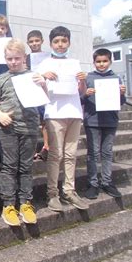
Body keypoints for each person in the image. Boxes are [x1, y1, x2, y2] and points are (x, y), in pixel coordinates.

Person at [0, 39, 46, 226]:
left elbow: (45, 99)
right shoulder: (1, 78)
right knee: (9, 166)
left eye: (17, 58)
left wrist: (44, 84)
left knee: (26, 167)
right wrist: (0, 115)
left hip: (29, 127)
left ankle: (25, 203)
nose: (13, 62)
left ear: (24, 58)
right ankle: (8, 205)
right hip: (7, 128)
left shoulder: (33, 76)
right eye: (9, 58)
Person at [37, 26, 89, 211]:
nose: (60, 45)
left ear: (69, 42)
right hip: (54, 113)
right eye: (56, 42)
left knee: (71, 155)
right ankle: (52, 194)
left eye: (64, 41)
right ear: (50, 43)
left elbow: (81, 92)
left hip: (74, 112)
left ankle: (69, 190)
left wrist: (82, 81)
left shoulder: (75, 63)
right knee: (55, 155)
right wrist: (43, 76)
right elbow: (37, 91)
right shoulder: (43, 64)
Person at [83, 48, 127, 199]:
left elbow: (120, 103)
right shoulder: (88, 78)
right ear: (94, 62)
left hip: (110, 120)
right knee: (93, 153)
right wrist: (85, 94)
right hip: (92, 120)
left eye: (104, 61)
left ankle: (107, 182)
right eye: (98, 61)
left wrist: (121, 94)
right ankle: (93, 183)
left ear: (110, 61)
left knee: (107, 153)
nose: (101, 64)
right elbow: (80, 100)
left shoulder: (116, 78)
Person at [26, 30, 49, 161]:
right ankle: (33, 149)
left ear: (42, 41)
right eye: (31, 41)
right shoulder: (27, 58)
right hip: (31, 91)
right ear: (28, 43)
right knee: (33, 121)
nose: (34, 44)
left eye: (37, 41)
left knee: (44, 121)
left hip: (45, 90)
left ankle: (46, 146)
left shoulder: (49, 57)